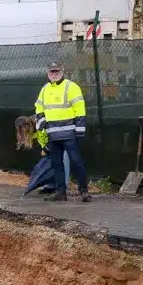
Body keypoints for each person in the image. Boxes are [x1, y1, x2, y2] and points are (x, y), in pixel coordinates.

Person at [33, 61, 89, 201]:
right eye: (52, 72)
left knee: (76, 162)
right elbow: (39, 108)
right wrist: (42, 123)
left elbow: (80, 110)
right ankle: (60, 192)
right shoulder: (45, 89)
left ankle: (84, 191)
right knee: (56, 164)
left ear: (62, 72)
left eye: (57, 71)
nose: (54, 74)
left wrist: (80, 131)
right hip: (53, 135)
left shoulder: (71, 87)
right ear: (48, 73)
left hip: (70, 134)